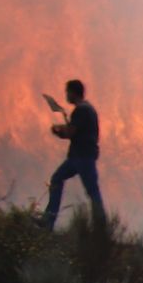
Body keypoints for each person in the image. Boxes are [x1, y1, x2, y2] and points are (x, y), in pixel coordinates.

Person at [40, 79, 106, 233]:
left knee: (92, 190)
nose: (66, 95)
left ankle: (101, 228)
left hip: (83, 158)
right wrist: (64, 128)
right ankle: (48, 220)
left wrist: (57, 131)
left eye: (67, 92)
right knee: (57, 179)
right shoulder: (87, 109)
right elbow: (75, 129)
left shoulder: (82, 110)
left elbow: (70, 132)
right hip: (79, 156)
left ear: (73, 92)